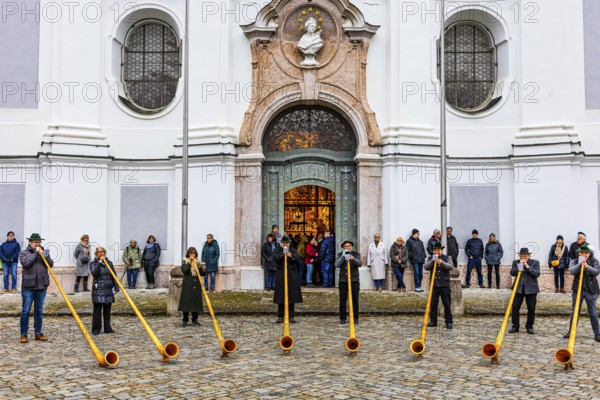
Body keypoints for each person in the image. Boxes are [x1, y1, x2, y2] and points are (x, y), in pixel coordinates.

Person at [19, 233, 53, 343]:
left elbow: (50, 264)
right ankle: (23, 334)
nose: (37, 243)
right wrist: (35, 254)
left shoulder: (45, 252)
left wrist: (45, 255)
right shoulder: (24, 253)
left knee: (39, 310)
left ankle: (38, 332)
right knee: (26, 311)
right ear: (30, 242)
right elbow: (26, 263)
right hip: (28, 286)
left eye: (38, 242)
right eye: (34, 242)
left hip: (42, 285)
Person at [564, 245, 600, 342]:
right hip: (577, 291)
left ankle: (598, 334)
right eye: (582, 253)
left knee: (593, 313)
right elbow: (572, 271)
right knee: (574, 311)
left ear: (589, 253)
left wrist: (587, 266)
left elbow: (596, 272)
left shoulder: (594, 261)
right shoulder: (574, 261)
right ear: (579, 253)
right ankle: (571, 332)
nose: (583, 254)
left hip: (591, 291)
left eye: (586, 253)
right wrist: (580, 264)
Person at [509, 248, 540, 334]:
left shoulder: (535, 262)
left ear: (528, 256)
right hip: (518, 288)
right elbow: (512, 272)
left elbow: (537, 274)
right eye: (521, 256)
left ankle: (529, 326)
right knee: (515, 307)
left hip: (531, 289)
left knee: (531, 308)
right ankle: (515, 326)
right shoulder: (516, 262)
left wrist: (527, 266)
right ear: (519, 256)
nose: (523, 257)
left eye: (525, 256)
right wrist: (520, 266)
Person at [424, 242, 455, 329]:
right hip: (434, 285)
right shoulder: (430, 258)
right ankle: (433, 321)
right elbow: (426, 267)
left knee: (447, 304)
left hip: (444, 285)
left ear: (441, 250)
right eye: (435, 250)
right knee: (433, 304)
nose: (436, 252)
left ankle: (449, 322)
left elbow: (450, 267)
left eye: (438, 250)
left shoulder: (447, 257)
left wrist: (441, 262)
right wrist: (433, 261)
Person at [273, 236, 303, 323]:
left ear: (289, 244)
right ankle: (280, 315)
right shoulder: (277, 250)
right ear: (281, 244)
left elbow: (297, 258)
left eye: (287, 243)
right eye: (284, 243)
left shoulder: (292, 250)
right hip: (281, 275)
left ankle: (291, 315)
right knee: (281, 295)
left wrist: (290, 255)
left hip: (291, 275)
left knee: (291, 295)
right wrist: (283, 254)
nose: (285, 245)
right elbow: (275, 258)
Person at [89, 247, 118, 335]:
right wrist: (99, 263)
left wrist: (116, 287)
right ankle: (96, 329)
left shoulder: (109, 263)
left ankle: (107, 328)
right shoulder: (93, 263)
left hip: (108, 289)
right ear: (96, 254)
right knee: (97, 311)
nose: (101, 253)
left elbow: (114, 276)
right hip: (98, 289)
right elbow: (94, 273)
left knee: (107, 310)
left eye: (102, 251)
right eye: (99, 252)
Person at [335, 240, 362, 324]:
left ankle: (355, 317)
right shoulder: (339, 254)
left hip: (354, 280)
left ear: (351, 247)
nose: (347, 247)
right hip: (343, 280)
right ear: (343, 248)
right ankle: (342, 318)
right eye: (346, 246)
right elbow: (337, 265)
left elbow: (360, 264)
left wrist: (353, 258)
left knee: (355, 299)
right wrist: (343, 257)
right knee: (343, 300)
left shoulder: (356, 254)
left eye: (349, 246)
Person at [178, 247, 206, 327]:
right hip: (187, 285)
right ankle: (185, 320)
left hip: (196, 285)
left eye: (193, 253)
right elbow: (185, 271)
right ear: (188, 254)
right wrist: (189, 262)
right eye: (191, 253)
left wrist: (203, 269)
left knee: (195, 303)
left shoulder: (198, 262)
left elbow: (202, 274)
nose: (192, 255)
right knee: (186, 303)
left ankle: (195, 320)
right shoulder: (185, 262)